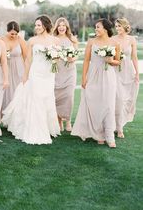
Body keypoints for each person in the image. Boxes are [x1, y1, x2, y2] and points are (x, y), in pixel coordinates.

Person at [2, 15, 61, 145]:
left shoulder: (56, 41)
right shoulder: (32, 41)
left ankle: (47, 127)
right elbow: (28, 60)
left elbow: (58, 58)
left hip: (49, 74)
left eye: (38, 25)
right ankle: (36, 130)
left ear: (45, 25)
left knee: (47, 98)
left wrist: (56, 59)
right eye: (36, 25)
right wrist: (25, 76)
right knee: (36, 100)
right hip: (36, 74)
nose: (36, 27)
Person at [71, 18, 120, 148]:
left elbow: (118, 61)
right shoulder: (91, 42)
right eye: (95, 27)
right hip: (93, 76)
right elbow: (86, 61)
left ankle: (109, 136)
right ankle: (99, 135)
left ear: (105, 29)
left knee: (108, 105)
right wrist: (83, 78)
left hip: (108, 76)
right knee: (94, 104)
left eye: (98, 27)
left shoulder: (115, 43)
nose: (96, 29)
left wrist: (110, 60)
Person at [113, 18, 139, 138]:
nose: (117, 28)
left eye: (119, 26)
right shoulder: (113, 39)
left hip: (128, 72)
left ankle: (120, 124)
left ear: (125, 26)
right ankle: (119, 128)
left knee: (127, 99)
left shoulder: (132, 39)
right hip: (116, 72)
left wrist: (137, 73)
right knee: (119, 99)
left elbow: (134, 57)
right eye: (116, 26)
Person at [53, 17, 78, 132]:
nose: (61, 27)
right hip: (57, 71)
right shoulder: (53, 39)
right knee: (57, 97)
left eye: (63, 25)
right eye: (59, 25)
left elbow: (76, 54)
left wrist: (73, 59)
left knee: (69, 96)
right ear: (56, 27)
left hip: (70, 71)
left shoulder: (72, 39)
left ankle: (67, 120)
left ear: (66, 27)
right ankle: (58, 121)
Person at [1, 21, 27, 109]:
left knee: (18, 89)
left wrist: (27, 72)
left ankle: (18, 111)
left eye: (16, 34)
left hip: (19, 68)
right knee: (6, 90)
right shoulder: (2, 40)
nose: (14, 36)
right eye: (12, 34)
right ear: (7, 31)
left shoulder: (20, 40)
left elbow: (26, 57)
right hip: (7, 68)